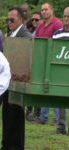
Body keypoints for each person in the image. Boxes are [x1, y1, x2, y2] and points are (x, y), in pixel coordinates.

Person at [3, 7, 33, 150]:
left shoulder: (25, 35)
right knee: (7, 114)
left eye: (12, 19)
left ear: (20, 19)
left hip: (19, 81)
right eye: (7, 19)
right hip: (8, 80)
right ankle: (7, 144)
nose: (9, 22)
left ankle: (16, 146)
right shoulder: (10, 34)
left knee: (17, 114)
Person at [33, 2, 63, 125]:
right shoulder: (40, 26)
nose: (43, 11)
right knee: (43, 89)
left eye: (46, 9)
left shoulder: (57, 24)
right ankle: (43, 117)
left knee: (55, 89)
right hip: (42, 61)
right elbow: (37, 42)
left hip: (54, 60)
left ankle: (56, 119)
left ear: (52, 10)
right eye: (42, 10)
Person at [52, 6, 69, 135]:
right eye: (65, 16)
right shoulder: (57, 34)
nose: (66, 19)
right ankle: (61, 127)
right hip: (60, 70)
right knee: (61, 100)